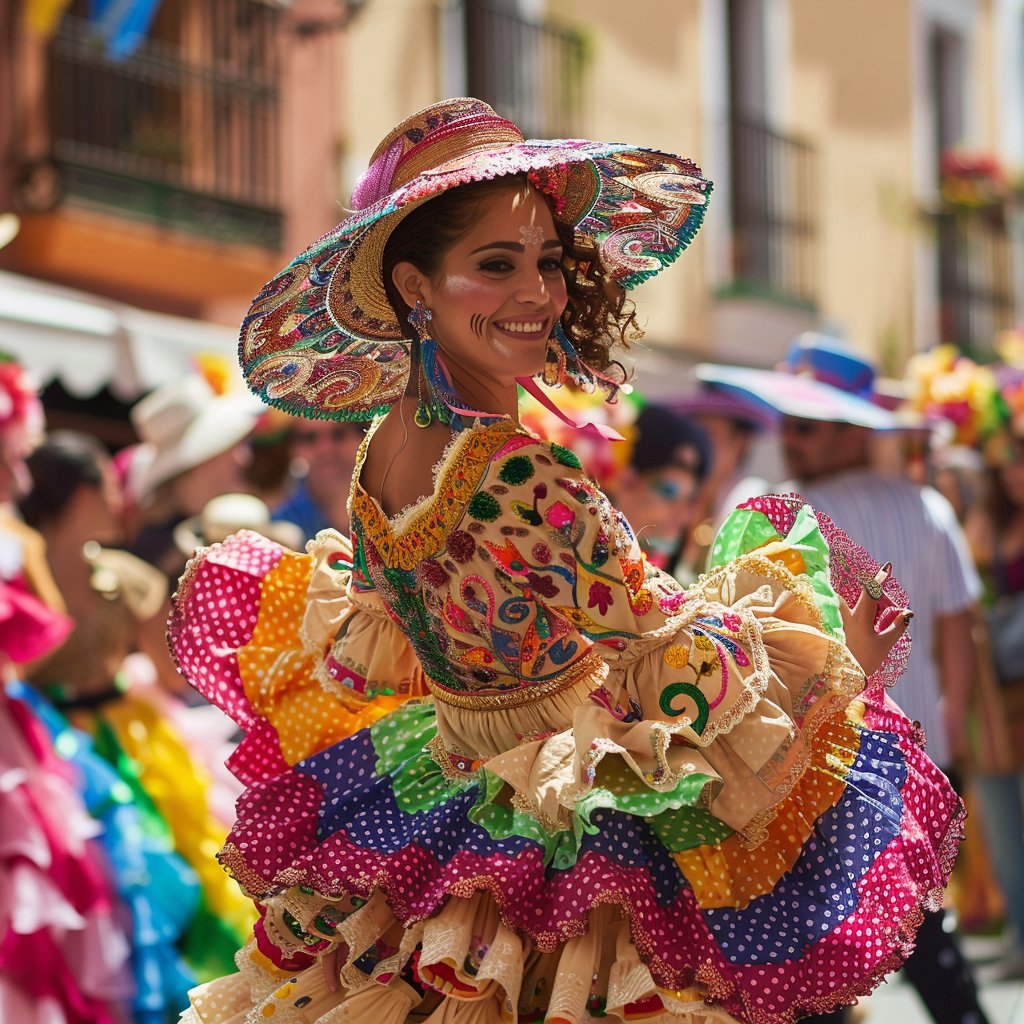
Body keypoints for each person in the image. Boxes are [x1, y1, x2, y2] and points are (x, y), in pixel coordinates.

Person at [170, 98, 959, 1024]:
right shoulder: (516, 470)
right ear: (416, 287)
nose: (538, 293)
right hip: (564, 812)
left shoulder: (384, 445)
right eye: (495, 265)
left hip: (453, 779)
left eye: (547, 261)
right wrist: (826, 652)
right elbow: (671, 654)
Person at [700, 333, 991, 1024]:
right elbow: (960, 633)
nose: (790, 439)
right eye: (789, 425)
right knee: (913, 914)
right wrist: (955, 742)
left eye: (804, 427)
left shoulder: (787, 514)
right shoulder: (930, 507)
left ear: (847, 430)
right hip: (915, 755)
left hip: (828, 757)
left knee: (828, 923)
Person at [272, 416, 366, 540]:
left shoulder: (391, 508)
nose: (326, 450)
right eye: (310, 438)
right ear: (291, 448)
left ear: (364, 437)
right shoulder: (281, 524)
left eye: (339, 434)